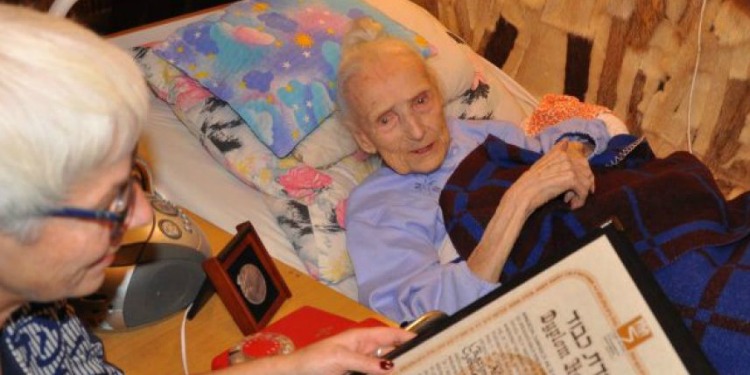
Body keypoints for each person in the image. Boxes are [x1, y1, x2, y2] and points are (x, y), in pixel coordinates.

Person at [0, 5, 412, 374]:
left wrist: (293, 368)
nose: (144, 215)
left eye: (134, 181)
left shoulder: (37, 312)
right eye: (111, 202)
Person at [336, 18, 614, 324]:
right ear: (365, 138)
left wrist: (574, 152)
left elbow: (566, 139)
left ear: (438, 96)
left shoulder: (478, 135)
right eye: (386, 119)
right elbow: (422, 318)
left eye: (420, 101)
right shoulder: (376, 208)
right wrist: (518, 201)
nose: (416, 131)